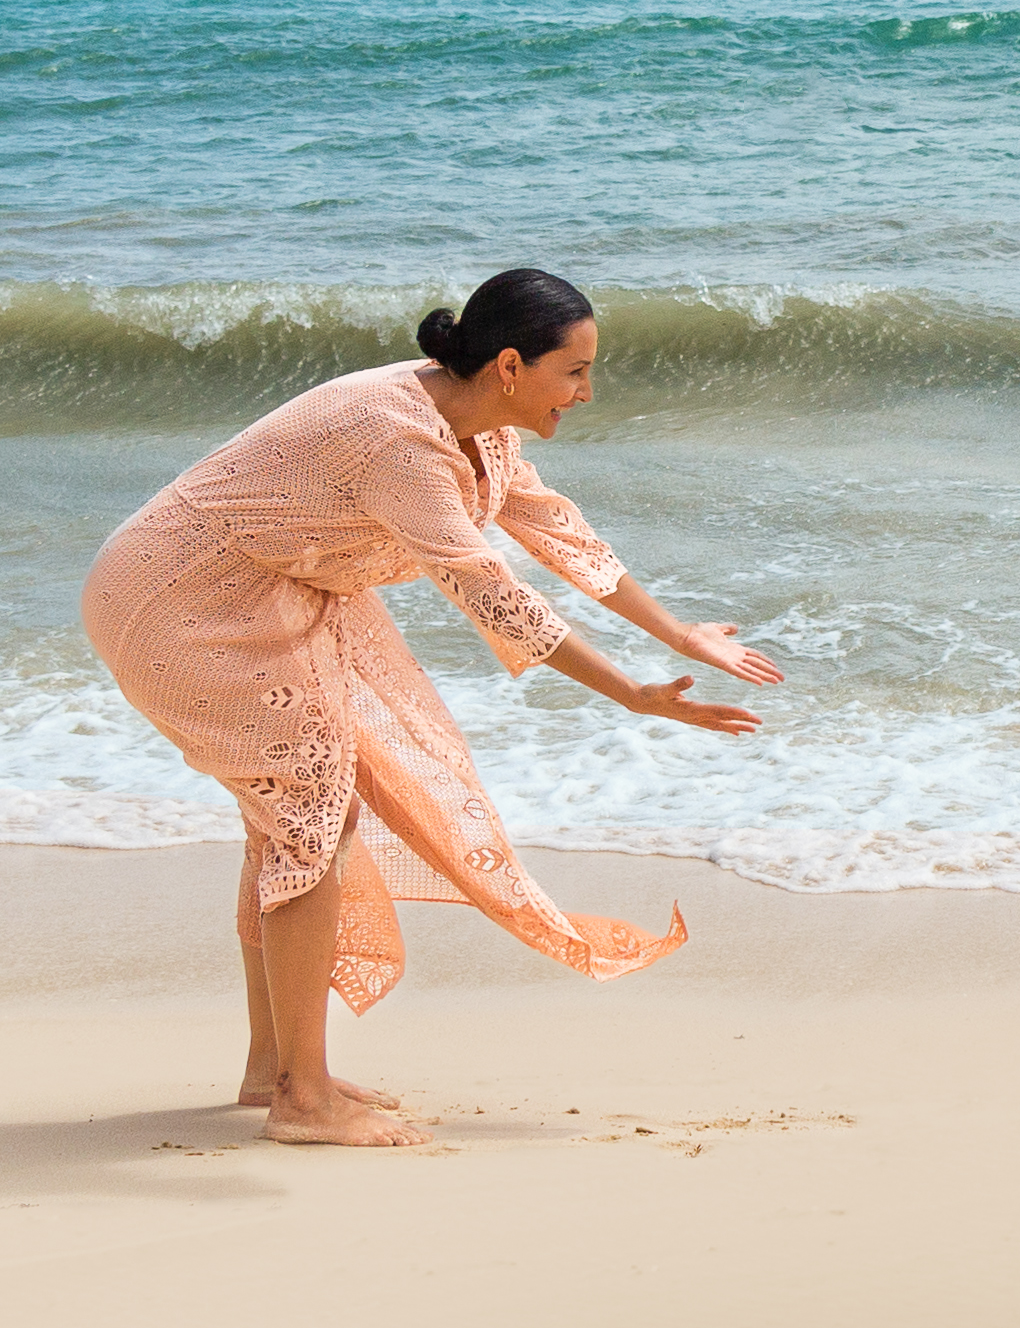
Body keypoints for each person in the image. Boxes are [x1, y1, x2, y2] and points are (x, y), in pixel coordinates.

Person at [80, 267, 780, 1147]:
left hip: (272, 590)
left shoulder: (478, 423)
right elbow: (495, 596)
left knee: (290, 821)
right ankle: (303, 1099)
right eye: (577, 371)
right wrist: (634, 696)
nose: (589, 393)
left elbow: (550, 523)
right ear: (514, 366)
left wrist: (678, 636)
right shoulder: (399, 442)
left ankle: (278, 1068)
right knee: (312, 817)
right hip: (184, 602)